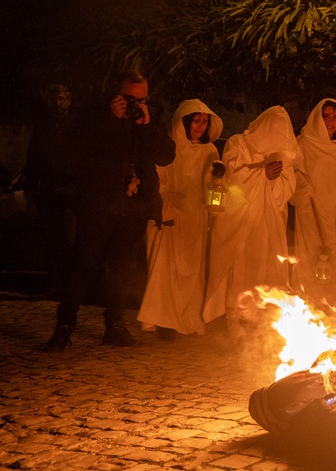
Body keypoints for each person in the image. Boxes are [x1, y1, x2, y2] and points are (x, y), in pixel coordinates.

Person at [44, 70, 175, 350]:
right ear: (116, 95)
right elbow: (73, 156)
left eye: (142, 99)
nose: (135, 105)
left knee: (122, 271)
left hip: (133, 207)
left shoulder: (149, 118)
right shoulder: (94, 117)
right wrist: (109, 121)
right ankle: (64, 327)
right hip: (99, 206)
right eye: (130, 99)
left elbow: (165, 155)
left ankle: (115, 326)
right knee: (82, 267)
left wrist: (147, 125)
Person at [203, 106, 299, 330]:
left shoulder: (281, 153)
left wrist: (273, 181)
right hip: (240, 220)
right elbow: (232, 176)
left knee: (264, 268)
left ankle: (259, 321)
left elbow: (286, 189)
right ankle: (233, 317)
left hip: (267, 223)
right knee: (239, 267)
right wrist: (262, 175)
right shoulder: (238, 144)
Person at [138, 99, 223, 338]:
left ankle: (186, 318)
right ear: (185, 121)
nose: (200, 126)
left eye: (204, 121)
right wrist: (165, 202)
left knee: (192, 271)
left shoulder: (210, 150)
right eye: (196, 120)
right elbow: (157, 178)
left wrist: (215, 179)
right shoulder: (169, 147)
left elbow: (212, 186)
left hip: (195, 218)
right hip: (170, 216)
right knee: (166, 269)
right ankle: (164, 320)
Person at [291, 98, 336, 304]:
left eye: (335, 117)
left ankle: (335, 314)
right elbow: (292, 174)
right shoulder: (303, 143)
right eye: (326, 117)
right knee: (309, 261)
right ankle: (308, 310)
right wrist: (302, 187)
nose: (330, 122)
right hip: (310, 214)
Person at [22, 84, 77, 298]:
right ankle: (54, 285)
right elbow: (33, 157)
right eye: (54, 99)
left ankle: (69, 288)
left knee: (68, 241)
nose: (57, 103)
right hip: (48, 191)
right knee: (51, 242)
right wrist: (32, 188)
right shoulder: (43, 125)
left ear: (68, 101)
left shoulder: (75, 126)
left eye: (61, 99)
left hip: (69, 193)